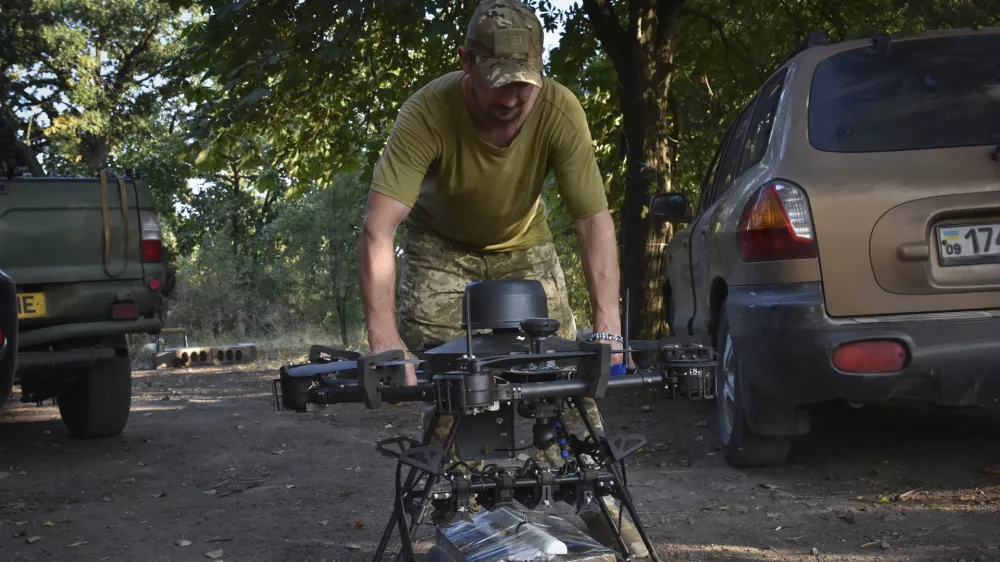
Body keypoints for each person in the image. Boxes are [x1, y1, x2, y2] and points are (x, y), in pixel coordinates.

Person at [356, 0, 648, 558]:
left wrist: (609, 328)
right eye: (498, 84)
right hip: (441, 251)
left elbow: (593, 221)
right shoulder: (426, 113)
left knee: (567, 378)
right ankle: (458, 519)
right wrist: (386, 343)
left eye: (525, 84)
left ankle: (614, 522)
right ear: (465, 62)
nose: (513, 98)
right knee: (453, 381)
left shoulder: (560, 109)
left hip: (524, 249)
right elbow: (377, 229)